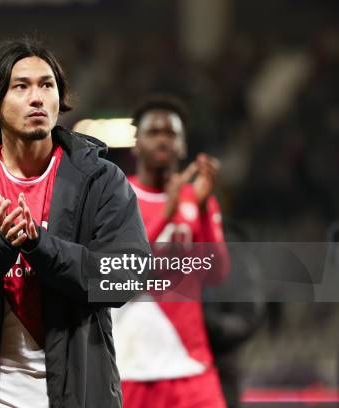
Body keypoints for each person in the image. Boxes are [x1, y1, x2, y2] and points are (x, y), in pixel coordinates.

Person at [0, 38, 150, 408]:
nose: (37, 98)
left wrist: (40, 245)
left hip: (78, 391)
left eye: (47, 85)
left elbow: (125, 277)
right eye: (21, 87)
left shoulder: (102, 180)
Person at [113, 94, 228, 407]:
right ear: (136, 144)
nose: (163, 140)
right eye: (153, 133)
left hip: (189, 363)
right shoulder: (117, 198)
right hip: (130, 366)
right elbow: (113, 273)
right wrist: (168, 211)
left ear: (183, 145)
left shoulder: (199, 200)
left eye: (171, 134)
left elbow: (217, 274)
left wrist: (202, 210)